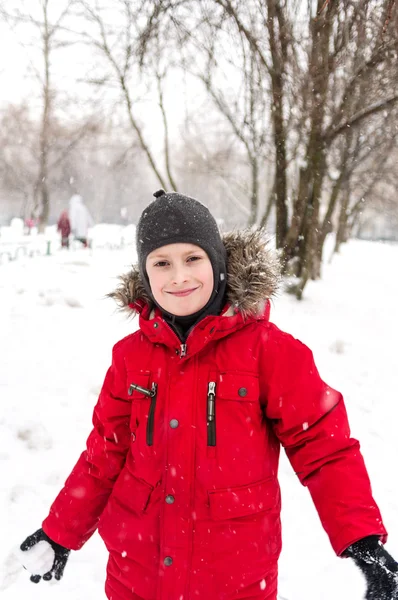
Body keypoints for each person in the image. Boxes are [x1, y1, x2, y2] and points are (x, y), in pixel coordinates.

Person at [19, 189, 398, 600]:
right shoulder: (130, 357)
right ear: (146, 275)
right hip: (137, 575)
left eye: (192, 258)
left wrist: (361, 539)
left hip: (233, 577)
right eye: (161, 263)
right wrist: (60, 531)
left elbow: (323, 446)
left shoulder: (267, 350)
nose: (178, 276)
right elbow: (104, 454)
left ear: (216, 262)